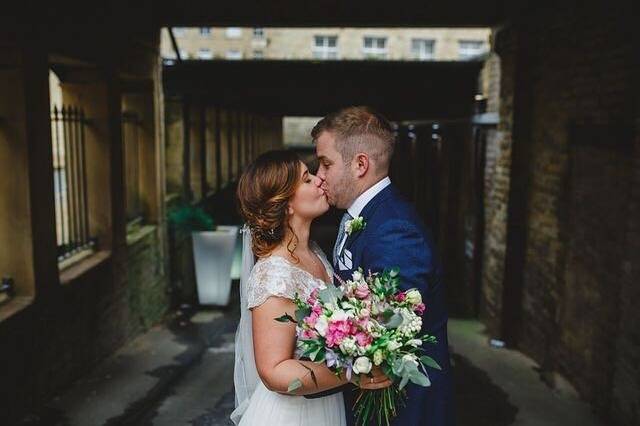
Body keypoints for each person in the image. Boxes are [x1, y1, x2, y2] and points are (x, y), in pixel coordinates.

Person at [311, 106, 455, 426]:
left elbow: (392, 332)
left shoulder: (394, 230)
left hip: (398, 410)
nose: (319, 175)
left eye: (326, 163)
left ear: (360, 164)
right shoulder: (362, 215)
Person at [231, 150, 391, 426]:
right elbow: (273, 371)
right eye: (307, 179)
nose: (319, 180)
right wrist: (354, 372)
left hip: (325, 405)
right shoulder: (273, 274)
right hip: (292, 415)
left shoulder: (314, 252)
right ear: (286, 204)